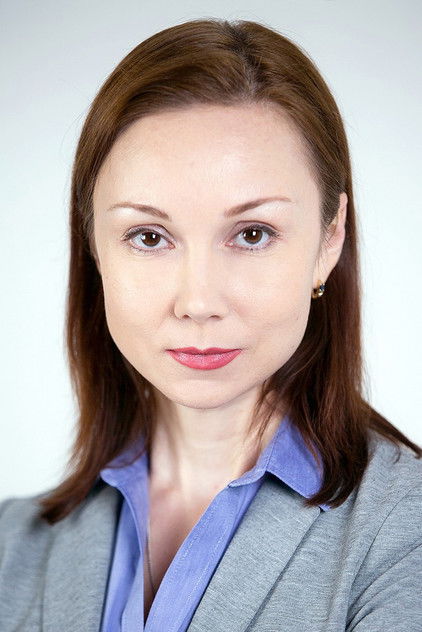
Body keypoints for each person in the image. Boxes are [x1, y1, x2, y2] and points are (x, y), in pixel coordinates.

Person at [1, 17, 421, 632]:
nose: (198, 302)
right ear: (94, 245)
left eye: (252, 234)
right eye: (149, 236)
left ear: (330, 239)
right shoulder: (12, 547)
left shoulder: (406, 536)